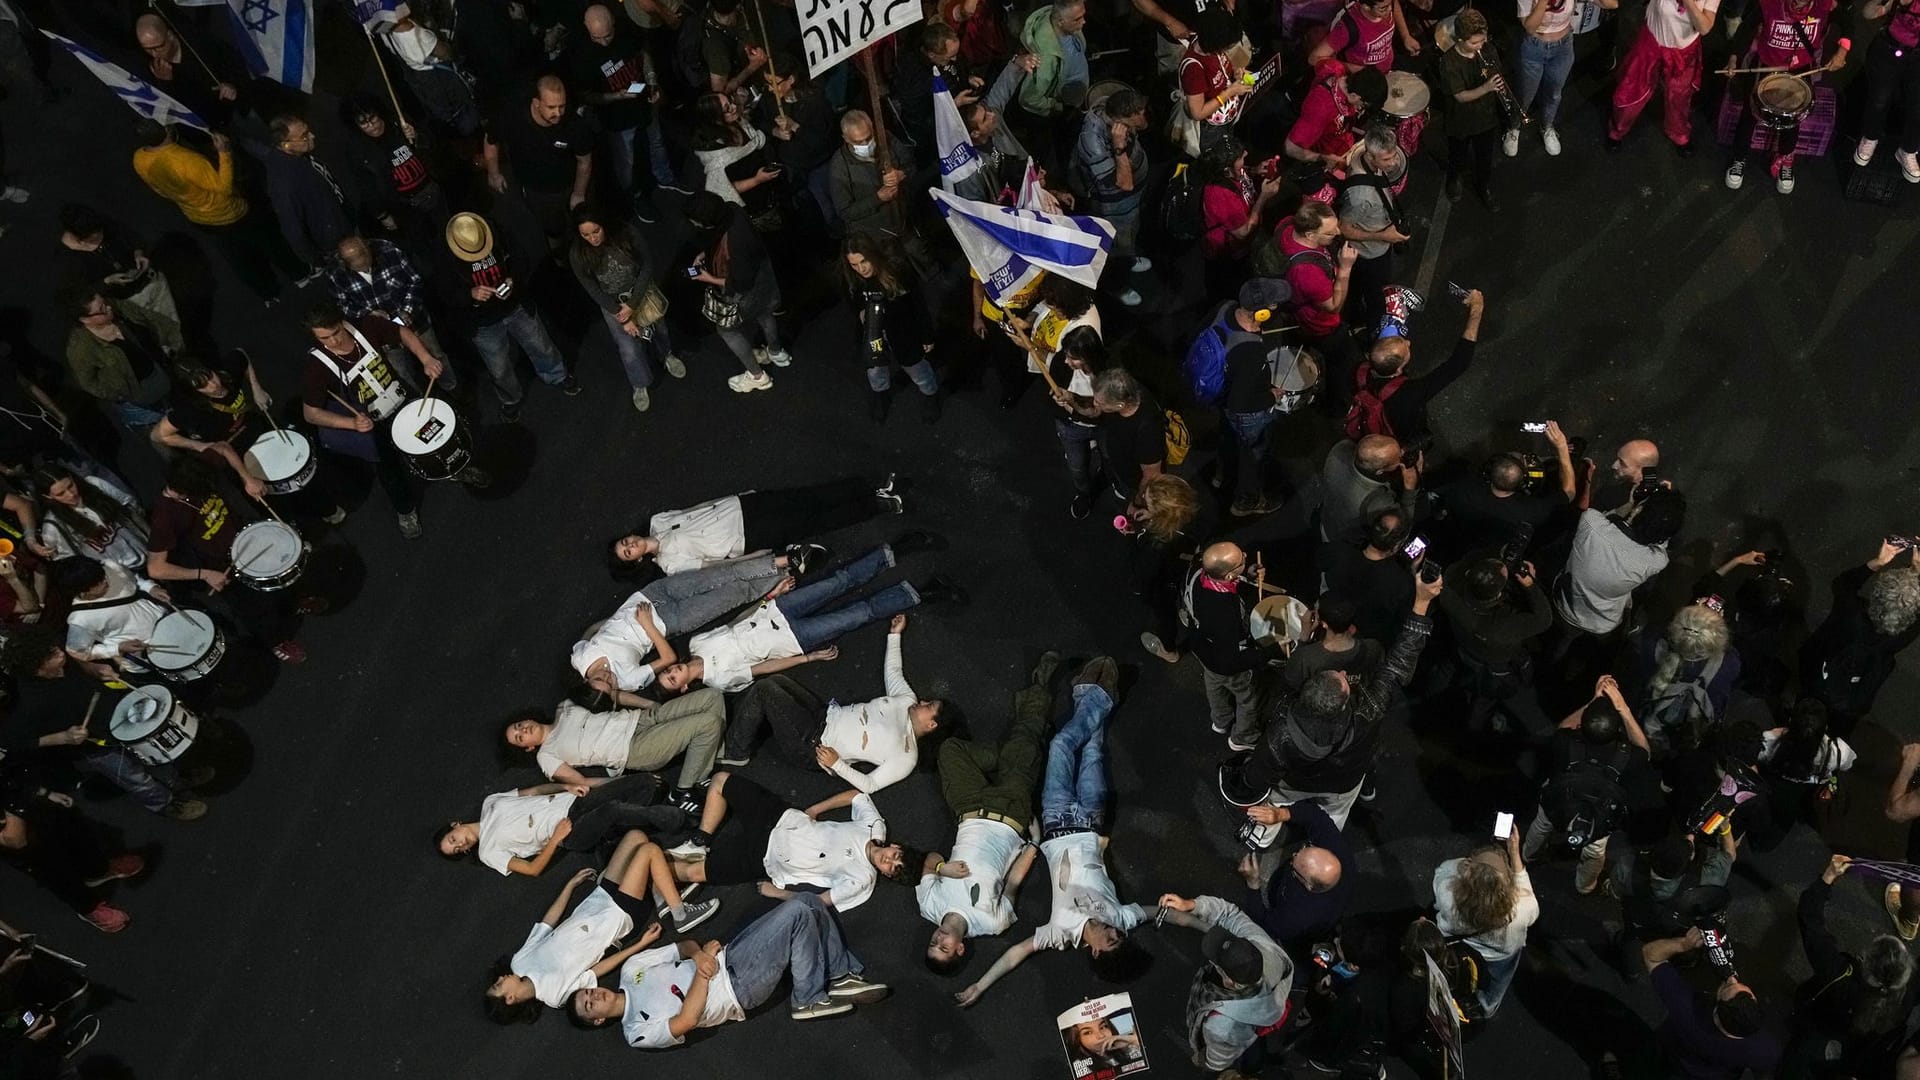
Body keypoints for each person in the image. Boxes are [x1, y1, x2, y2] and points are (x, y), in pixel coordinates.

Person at [952, 659, 1152, 1005]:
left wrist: (980, 986)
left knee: (1061, 745)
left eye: (1110, 941)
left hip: (1056, 820)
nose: (1112, 932)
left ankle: (1093, 696)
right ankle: (1094, 696)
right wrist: (1215, 919)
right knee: (1091, 749)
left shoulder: (1059, 934)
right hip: (1091, 819)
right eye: (1119, 936)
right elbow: (1172, 913)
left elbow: (1016, 953)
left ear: (1094, 952)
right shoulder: (1122, 917)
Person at [1235, 566, 1443, 829]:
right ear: (1344, 702)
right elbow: (1399, 663)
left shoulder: (1281, 731)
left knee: (1274, 808)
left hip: (1297, 782)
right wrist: (1422, 602)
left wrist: (1302, 642)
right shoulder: (1367, 712)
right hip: (1345, 781)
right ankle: (1326, 839)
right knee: (1334, 818)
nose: (1344, 671)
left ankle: (1262, 835)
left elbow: (1257, 771)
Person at [566, 893, 890, 1040]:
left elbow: (682, 946)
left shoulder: (631, 968)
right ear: (596, 1021)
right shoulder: (635, 1031)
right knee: (797, 915)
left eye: (587, 992)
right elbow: (687, 1020)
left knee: (807, 901)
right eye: (588, 1004)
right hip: (737, 989)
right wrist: (704, 977)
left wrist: (698, 956)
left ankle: (839, 976)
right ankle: (806, 998)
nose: (593, 996)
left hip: (728, 956)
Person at [655, 541, 960, 695]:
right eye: (672, 678)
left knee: (838, 582)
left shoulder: (697, 642)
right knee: (858, 614)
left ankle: (896, 550)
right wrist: (808, 658)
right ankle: (921, 593)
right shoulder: (719, 680)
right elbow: (766, 667)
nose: (674, 670)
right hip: (794, 639)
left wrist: (770, 595)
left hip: (778, 610)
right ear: (683, 687)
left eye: (668, 670)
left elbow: (736, 622)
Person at [919, 652, 1057, 976]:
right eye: (944, 947)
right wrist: (1034, 845)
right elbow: (1012, 885)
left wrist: (942, 867)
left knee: (949, 751)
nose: (938, 938)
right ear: (960, 949)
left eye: (932, 942)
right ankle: (1039, 689)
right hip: (1009, 813)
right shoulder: (991, 923)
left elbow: (927, 860)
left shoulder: (929, 906)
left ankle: (1016, 751)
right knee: (1023, 744)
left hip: (967, 808)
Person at [298, 301, 480, 539]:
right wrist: (351, 424)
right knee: (390, 472)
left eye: (336, 333)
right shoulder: (317, 367)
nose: (334, 342)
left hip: (402, 398)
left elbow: (401, 332)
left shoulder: (365, 325)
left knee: (433, 439)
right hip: (374, 424)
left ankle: (452, 470)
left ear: (342, 322)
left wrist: (425, 358)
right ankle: (405, 511)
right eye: (324, 339)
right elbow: (310, 413)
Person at [483, 838, 715, 1022]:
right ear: (510, 999)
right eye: (498, 985)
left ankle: (660, 893)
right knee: (649, 851)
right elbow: (597, 970)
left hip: (598, 899)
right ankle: (680, 914)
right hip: (617, 917)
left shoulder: (519, 962)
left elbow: (547, 923)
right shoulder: (555, 996)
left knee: (636, 837)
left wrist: (569, 886)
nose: (501, 978)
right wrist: (640, 944)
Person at [0, 626, 209, 821]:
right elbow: (12, 740)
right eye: (52, 655)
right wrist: (63, 737)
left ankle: (175, 780)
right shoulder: (31, 702)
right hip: (97, 744)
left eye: (55, 648)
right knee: (136, 778)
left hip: (119, 711)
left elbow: (82, 665)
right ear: (37, 668)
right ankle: (164, 803)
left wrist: (95, 670)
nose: (60, 653)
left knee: (153, 751)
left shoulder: (63, 660)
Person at [720, 615, 949, 791]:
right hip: (824, 714)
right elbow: (893, 671)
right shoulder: (906, 700)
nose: (923, 701)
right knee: (778, 681)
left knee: (765, 690)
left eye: (929, 707)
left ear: (931, 725)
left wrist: (838, 764)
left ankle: (735, 750)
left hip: (814, 744)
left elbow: (871, 784)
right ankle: (748, 721)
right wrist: (895, 634)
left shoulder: (906, 756)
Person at [144, 457, 309, 663]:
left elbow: (223, 447)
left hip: (244, 539)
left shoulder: (196, 468)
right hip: (222, 566)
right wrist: (204, 574)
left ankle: (292, 605)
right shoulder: (165, 516)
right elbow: (156, 569)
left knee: (276, 577)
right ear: (185, 489)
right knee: (256, 610)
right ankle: (276, 641)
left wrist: (247, 478)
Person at [658, 775, 906, 912]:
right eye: (896, 857)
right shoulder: (876, 829)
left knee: (692, 872)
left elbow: (819, 902)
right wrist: (815, 809)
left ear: (886, 874)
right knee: (721, 781)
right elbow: (857, 796)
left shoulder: (862, 878)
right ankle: (701, 841)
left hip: (766, 858)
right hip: (781, 817)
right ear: (895, 847)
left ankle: (650, 870)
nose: (889, 861)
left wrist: (777, 893)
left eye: (892, 868)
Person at [131, 123, 311, 305]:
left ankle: (267, 292)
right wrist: (224, 153)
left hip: (199, 217)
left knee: (239, 256)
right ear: (168, 133)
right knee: (269, 240)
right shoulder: (185, 160)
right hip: (229, 212)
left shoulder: (139, 158)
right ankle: (299, 274)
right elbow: (223, 188)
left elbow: (159, 190)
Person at [1780, 855, 1917, 1077]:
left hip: (1824, 1021)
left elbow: (1809, 917)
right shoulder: (1910, 994)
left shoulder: (1839, 975)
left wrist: (1828, 876)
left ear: (1865, 961)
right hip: (1860, 1044)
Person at [607, 477, 902, 579]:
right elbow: (713, 566)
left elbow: (696, 509)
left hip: (742, 507)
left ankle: (872, 488)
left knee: (809, 496)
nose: (631, 545)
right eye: (628, 553)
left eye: (625, 543)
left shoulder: (657, 521)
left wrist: (737, 496)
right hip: (747, 536)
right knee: (816, 520)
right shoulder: (670, 565)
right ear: (639, 560)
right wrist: (757, 556)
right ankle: (879, 505)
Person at [503, 684, 730, 814]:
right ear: (528, 747)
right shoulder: (546, 755)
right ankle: (681, 791)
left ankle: (704, 770)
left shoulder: (565, 706)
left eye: (518, 726)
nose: (523, 730)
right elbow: (579, 783)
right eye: (519, 737)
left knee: (712, 697)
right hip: (633, 749)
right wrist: (628, 783)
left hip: (639, 719)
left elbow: (611, 695)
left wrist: (650, 705)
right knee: (708, 723)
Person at [574, 556, 790, 692]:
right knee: (733, 594)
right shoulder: (628, 681)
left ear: (586, 681)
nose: (608, 676)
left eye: (600, 678)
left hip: (649, 595)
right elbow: (669, 659)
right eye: (609, 683)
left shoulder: (580, 658)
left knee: (719, 575)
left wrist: (611, 619)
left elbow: (591, 631)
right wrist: (648, 625)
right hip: (669, 622)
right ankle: (786, 575)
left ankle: (786, 560)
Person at [442, 211, 577, 420]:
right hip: (483, 322)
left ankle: (558, 376)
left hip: (515, 306)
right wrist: (470, 293)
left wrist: (512, 279)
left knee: (541, 344)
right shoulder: (446, 258)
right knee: (499, 367)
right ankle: (511, 399)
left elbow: (521, 258)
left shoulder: (496, 232)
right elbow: (445, 292)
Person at [1522, 678, 1649, 892]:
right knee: (1594, 852)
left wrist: (1593, 700)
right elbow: (1644, 750)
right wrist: (1623, 708)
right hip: (1599, 816)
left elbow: (1563, 727)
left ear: (1582, 725)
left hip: (1558, 803)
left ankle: (1527, 855)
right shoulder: (1626, 756)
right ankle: (1585, 886)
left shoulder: (1566, 743)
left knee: (1542, 826)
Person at [1549, 488, 1686, 677]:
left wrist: (1630, 504)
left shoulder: (1591, 522)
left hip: (1567, 605)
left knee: (1562, 641)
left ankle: (1552, 667)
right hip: (1605, 621)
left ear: (1638, 511)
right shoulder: (1656, 561)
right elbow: (1661, 543)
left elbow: (1610, 518)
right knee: (1593, 653)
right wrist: (1665, 517)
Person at [434, 776, 686, 878]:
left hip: (573, 802)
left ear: (455, 825)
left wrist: (565, 786)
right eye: (457, 850)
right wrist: (555, 839)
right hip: (568, 831)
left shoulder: (490, 803)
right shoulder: (487, 852)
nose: (460, 844)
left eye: (453, 839)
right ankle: (677, 819)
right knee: (614, 809)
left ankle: (615, 835)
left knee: (645, 783)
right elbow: (532, 870)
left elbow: (533, 791)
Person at [1156, 890, 1295, 1076]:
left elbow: (1219, 1059)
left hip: (1228, 1031)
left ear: (1229, 981)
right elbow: (1230, 914)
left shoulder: (1222, 1027)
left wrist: (1203, 1060)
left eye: (1216, 960)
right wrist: (1191, 905)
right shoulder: (1266, 949)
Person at [569, 205, 685, 414]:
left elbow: (647, 264)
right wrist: (622, 315)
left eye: (596, 231)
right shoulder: (578, 253)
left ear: (604, 224)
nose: (592, 238)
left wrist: (632, 304)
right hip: (613, 304)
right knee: (629, 349)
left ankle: (666, 354)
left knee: (659, 328)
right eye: (585, 234)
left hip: (641, 293)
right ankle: (639, 383)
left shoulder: (626, 232)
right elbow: (592, 289)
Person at [1800, 537, 1920, 738]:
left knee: (1807, 703)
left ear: (1877, 593)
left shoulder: (1850, 613)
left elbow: (1843, 583)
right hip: (1852, 702)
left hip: (1816, 674)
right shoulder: (1900, 638)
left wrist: (1878, 562)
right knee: (1840, 728)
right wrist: (1917, 571)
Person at [1, 779, 146, 933]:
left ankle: (97, 871)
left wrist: (43, 792)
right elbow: (15, 840)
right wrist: (14, 805)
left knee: (72, 832)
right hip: (27, 843)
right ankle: (88, 907)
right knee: (56, 873)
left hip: (32, 811)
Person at [1177, 542, 1284, 751]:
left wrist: (1248, 574)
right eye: (1242, 561)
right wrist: (1269, 651)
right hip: (1223, 659)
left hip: (1202, 648)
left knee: (1214, 683)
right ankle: (1244, 737)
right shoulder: (1225, 615)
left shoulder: (1198, 568)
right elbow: (1230, 662)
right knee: (1248, 698)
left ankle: (1221, 720)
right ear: (1227, 577)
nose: (1246, 555)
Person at [1213, 279, 1304, 517]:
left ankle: (1222, 474)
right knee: (1253, 456)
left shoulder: (1225, 307)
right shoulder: (1251, 352)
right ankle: (1246, 501)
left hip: (1222, 395)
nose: (1276, 309)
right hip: (1246, 413)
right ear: (1262, 312)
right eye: (1274, 305)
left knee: (1228, 439)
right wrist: (1271, 396)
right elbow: (1241, 403)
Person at [1344, 288, 1484, 443]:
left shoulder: (1359, 371)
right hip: (1398, 437)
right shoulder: (1410, 394)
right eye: (1407, 348)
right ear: (1398, 369)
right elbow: (1458, 363)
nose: (1409, 342)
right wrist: (1477, 309)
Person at [1436, 556, 1554, 734]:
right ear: (1498, 594)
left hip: (1464, 648)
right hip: (1496, 666)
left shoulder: (1449, 592)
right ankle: (1473, 731)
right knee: (1487, 697)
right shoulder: (1504, 626)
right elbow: (1544, 619)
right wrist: (1530, 585)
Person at [685, 193, 789, 393]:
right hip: (765, 280)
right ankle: (776, 352)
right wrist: (706, 253)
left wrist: (708, 278)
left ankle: (757, 376)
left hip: (747, 293)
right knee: (765, 313)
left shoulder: (734, 242)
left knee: (726, 330)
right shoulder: (732, 209)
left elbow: (739, 283)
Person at [326, 235, 454, 396]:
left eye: (368, 261)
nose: (367, 268)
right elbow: (342, 306)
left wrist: (407, 310)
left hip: (414, 321)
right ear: (346, 264)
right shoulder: (335, 274)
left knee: (435, 355)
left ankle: (451, 387)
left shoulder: (389, 250)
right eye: (360, 267)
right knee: (400, 371)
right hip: (383, 334)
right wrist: (368, 314)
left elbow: (415, 281)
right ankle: (417, 402)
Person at [1641, 929, 1780, 1076]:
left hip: (1673, 1055)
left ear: (1716, 1011)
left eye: (1728, 986)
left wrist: (1683, 944)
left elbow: (1651, 956)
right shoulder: (1764, 1049)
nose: (1732, 978)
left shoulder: (1686, 1009)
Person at [1433, 826, 1537, 1017]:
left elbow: (1443, 870)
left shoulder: (1449, 894)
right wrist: (1514, 853)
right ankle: (1487, 1007)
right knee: (1497, 983)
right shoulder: (1520, 909)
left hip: (1463, 943)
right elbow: (1531, 905)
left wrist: (1468, 866)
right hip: (1500, 955)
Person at [565, 5, 659, 213]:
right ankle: (632, 198)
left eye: (607, 35)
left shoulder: (626, 29)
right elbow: (586, 96)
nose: (603, 42)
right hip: (617, 119)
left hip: (644, 101)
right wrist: (618, 96)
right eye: (596, 37)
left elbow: (643, 53)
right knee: (626, 162)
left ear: (613, 23)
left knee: (656, 143)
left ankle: (666, 178)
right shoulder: (582, 55)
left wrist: (652, 81)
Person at [1235, 799, 1353, 956]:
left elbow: (1263, 923)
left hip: (1300, 931)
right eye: (1305, 848)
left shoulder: (1296, 917)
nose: (1294, 854)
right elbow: (1317, 817)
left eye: (1295, 866)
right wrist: (1281, 814)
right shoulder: (1340, 857)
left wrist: (1253, 883)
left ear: (1308, 885)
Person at [1626, 601, 1742, 760]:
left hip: (1650, 712)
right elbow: (1726, 649)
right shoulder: (1728, 664)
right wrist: (1713, 623)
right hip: (1689, 728)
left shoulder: (1651, 644)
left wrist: (1695, 616)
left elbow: (1663, 631)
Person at [56, 286, 178, 437]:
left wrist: (177, 344)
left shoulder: (118, 309)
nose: (108, 307)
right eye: (102, 308)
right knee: (167, 438)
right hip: (140, 403)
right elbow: (89, 383)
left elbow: (156, 321)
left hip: (163, 378)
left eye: (104, 302)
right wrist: (120, 392)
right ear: (85, 319)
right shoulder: (80, 348)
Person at [1433, 431, 1576, 559]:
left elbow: (1441, 509)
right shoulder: (1531, 511)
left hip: (1459, 541)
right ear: (1522, 484)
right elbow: (1569, 492)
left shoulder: (1463, 487)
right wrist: (1562, 448)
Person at [843, 234, 939, 423]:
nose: (861, 269)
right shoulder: (853, 281)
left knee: (917, 368)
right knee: (876, 370)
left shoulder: (897, 272)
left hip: (903, 333)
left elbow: (918, 305)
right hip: (873, 335)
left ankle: (930, 395)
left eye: (864, 261)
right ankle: (881, 395)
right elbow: (853, 307)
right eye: (854, 265)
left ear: (873, 255)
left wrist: (927, 336)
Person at [485, 76, 595, 240]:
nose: (558, 113)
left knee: (581, 224)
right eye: (551, 107)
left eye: (561, 106)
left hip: (568, 183)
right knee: (551, 227)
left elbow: (584, 161)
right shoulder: (513, 116)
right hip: (535, 188)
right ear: (536, 103)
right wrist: (493, 173)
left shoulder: (574, 125)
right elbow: (491, 139)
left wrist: (578, 193)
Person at [339, 95, 450, 252]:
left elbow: (433, 148)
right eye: (363, 123)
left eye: (373, 118)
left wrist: (417, 137)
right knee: (425, 248)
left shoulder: (400, 124)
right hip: (406, 207)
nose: (372, 125)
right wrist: (382, 215)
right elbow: (366, 185)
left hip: (432, 190)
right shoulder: (358, 150)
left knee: (451, 233)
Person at [1607, 0, 1719, 153]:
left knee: (1679, 97)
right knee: (1633, 87)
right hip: (1651, 42)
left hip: (1683, 52)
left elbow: (1704, 28)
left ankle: (1678, 133)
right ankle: (1617, 129)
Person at [1073, 88, 1150, 306]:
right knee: (1114, 247)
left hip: (1133, 202)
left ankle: (1129, 256)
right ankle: (1116, 286)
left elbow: (1144, 125)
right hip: (1115, 206)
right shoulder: (1093, 141)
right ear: (1121, 120)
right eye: (1138, 115)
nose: (1142, 120)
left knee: (1129, 236)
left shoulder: (1113, 106)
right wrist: (1119, 147)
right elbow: (1124, 184)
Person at [1276, 201, 1363, 389]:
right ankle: (1337, 407)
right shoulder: (1308, 272)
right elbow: (1333, 306)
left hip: (1295, 309)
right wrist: (1345, 269)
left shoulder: (1287, 224)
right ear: (1310, 235)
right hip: (1320, 325)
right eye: (1330, 233)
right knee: (1341, 363)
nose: (1338, 233)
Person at [1513, 0, 1615, 158]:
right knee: (1526, 94)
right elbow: (1529, 27)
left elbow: (1612, 4)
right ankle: (1514, 127)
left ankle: (1547, 127)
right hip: (1534, 47)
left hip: (1563, 47)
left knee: (1554, 93)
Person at [1334, 126, 1411, 335]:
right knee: (1376, 295)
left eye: (1394, 156)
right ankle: (1373, 332)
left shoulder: (1362, 153)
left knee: (1358, 287)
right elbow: (1344, 229)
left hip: (1378, 239)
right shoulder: (1360, 197)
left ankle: (1355, 315)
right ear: (1370, 156)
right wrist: (1383, 236)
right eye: (1387, 160)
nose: (1393, 163)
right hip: (1370, 253)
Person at [56, 205, 178, 329]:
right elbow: (81, 295)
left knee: (175, 327)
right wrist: (108, 281)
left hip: (153, 283)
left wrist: (139, 253)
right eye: (93, 239)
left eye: (100, 233)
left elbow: (133, 237)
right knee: (157, 334)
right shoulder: (68, 259)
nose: (99, 239)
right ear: (77, 237)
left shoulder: (102, 222)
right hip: (130, 302)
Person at [263, 115, 354, 274]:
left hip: (342, 223)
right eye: (304, 136)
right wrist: (317, 259)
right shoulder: (284, 185)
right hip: (334, 243)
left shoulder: (301, 155)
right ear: (285, 145)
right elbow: (293, 229)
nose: (312, 136)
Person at [53, 557, 171, 673]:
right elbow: (78, 652)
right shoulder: (80, 619)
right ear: (82, 591)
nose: (105, 581)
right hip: (149, 652)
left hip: (166, 623)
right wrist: (117, 648)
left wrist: (150, 588)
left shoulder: (111, 566)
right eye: (97, 583)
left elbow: (134, 579)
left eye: (103, 576)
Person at [1437, 11, 1506, 209]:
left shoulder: (1488, 49)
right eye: (1474, 43)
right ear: (1459, 39)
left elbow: (1496, 71)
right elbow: (1460, 96)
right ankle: (1454, 180)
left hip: (1486, 118)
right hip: (1460, 120)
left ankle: (1483, 186)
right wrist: (1487, 88)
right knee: (1457, 154)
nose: (1480, 46)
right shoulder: (1449, 62)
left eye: (1482, 40)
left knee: (1484, 156)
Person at [1014, 0, 1090, 171]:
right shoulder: (1045, 60)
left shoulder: (1060, 22)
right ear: (1060, 21)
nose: (1084, 22)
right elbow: (1029, 99)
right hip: (1061, 110)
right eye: (1078, 19)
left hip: (1073, 94)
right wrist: (1059, 108)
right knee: (1060, 148)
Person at [132, 13, 241, 129]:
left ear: (169, 35)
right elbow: (175, 110)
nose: (154, 54)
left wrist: (232, 85)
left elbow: (234, 64)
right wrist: (166, 83)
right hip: (210, 127)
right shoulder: (154, 68)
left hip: (237, 110)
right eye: (147, 49)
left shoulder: (198, 43)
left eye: (158, 47)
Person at [379, 13, 482, 135]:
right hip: (448, 91)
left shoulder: (384, 29)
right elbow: (445, 53)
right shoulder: (408, 33)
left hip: (432, 95)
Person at [1325, 508, 1418, 644]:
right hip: (1365, 639)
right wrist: (1412, 573)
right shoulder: (1401, 583)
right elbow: (1402, 624)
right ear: (1397, 545)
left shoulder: (1340, 551)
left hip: (1332, 617)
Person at [29, 465, 147, 572]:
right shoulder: (53, 527)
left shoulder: (94, 484)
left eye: (71, 486)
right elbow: (70, 564)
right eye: (61, 494)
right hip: (124, 576)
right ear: (48, 496)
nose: (71, 494)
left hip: (147, 550)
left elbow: (130, 506)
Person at [1855, 0, 1920, 180]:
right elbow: (1868, 13)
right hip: (1890, 48)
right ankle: (1870, 136)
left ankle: (1908, 149)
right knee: (1879, 99)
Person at [1179, 8, 1255, 155]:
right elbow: (1198, 113)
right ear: (1215, 44)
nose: (1228, 50)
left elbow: (1226, 64)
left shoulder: (1212, 44)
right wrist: (1230, 92)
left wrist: (1237, 72)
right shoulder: (1194, 68)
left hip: (1227, 117)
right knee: (1218, 159)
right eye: (1226, 47)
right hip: (1211, 129)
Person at [1319, 434, 1419, 546]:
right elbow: (1401, 530)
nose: (1402, 454)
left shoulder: (1340, 449)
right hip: (1344, 543)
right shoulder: (1378, 502)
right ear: (1380, 471)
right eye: (1399, 458)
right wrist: (1410, 489)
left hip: (1327, 521)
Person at [1198, 139, 1282, 270]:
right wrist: (1264, 197)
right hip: (1228, 250)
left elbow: (1240, 174)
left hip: (1244, 241)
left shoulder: (1231, 171)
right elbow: (1243, 232)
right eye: (1240, 158)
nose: (1246, 153)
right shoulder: (1219, 194)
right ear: (1227, 169)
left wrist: (1254, 170)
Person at [695, 92, 783, 214]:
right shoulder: (715, 153)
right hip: (753, 198)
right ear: (715, 118)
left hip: (769, 185)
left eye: (731, 101)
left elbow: (755, 140)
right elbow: (725, 189)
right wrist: (757, 180)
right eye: (727, 108)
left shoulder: (737, 122)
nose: (734, 107)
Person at [1285, 67, 1388, 171]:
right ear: (1354, 96)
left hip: (1343, 141)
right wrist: (1321, 158)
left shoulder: (1336, 68)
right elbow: (1291, 148)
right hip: (1328, 155)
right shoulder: (1320, 108)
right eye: (1363, 106)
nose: (1361, 109)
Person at [827, 110, 907, 240]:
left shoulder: (887, 139)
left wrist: (901, 174)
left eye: (869, 138)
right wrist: (878, 198)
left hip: (903, 219)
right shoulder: (840, 166)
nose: (866, 144)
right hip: (873, 234)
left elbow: (911, 164)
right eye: (858, 142)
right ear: (846, 138)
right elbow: (845, 212)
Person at [1090, 370, 1166, 507]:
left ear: (1120, 405)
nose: (1094, 403)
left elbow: (1151, 476)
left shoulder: (1148, 430)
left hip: (1131, 478)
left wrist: (1138, 503)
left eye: (1099, 402)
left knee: (1124, 493)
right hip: (1116, 453)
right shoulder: (1125, 391)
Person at [1281, 592, 1384, 692]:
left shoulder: (1306, 658)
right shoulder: (1373, 648)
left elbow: (1291, 683)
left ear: (1324, 624)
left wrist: (1303, 637)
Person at [1311, 0, 1401, 71]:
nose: (1390, 9)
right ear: (1366, 7)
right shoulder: (1347, 28)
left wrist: (1406, 36)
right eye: (1383, 8)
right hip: (1365, 82)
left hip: (1389, 70)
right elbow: (1314, 58)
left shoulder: (1385, 5)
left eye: (1391, 3)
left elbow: (1391, 4)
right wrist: (1353, 68)